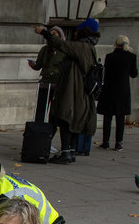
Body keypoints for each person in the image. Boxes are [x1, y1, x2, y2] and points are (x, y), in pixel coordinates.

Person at [33, 19, 99, 164]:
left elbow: (62, 45)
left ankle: (66, 152)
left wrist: (44, 32)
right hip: (74, 90)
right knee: (68, 120)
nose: (74, 32)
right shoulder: (87, 47)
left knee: (65, 119)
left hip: (74, 92)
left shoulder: (82, 47)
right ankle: (69, 151)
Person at [97, 35, 137, 151]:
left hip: (110, 89)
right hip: (123, 90)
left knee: (108, 116)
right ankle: (118, 142)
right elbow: (134, 74)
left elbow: (106, 73)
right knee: (120, 118)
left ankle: (106, 141)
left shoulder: (110, 57)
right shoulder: (131, 57)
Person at [28, 26, 66, 124]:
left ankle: (50, 130)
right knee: (41, 109)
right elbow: (39, 65)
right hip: (45, 83)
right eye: (51, 33)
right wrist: (33, 65)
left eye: (55, 33)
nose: (52, 35)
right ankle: (38, 128)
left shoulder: (64, 50)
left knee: (53, 112)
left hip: (57, 85)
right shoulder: (45, 50)